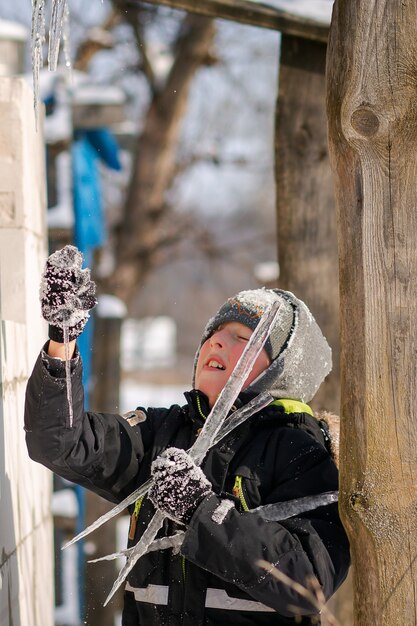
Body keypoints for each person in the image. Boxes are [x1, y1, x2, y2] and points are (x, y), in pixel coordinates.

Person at [25, 245, 350, 626]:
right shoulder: (163, 434)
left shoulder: (300, 449)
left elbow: (308, 581)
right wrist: (62, 342)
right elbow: (60, 442)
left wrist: (201, 511)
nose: (217, 342)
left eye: (242, 338)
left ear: (280, 371)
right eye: (215, 332)